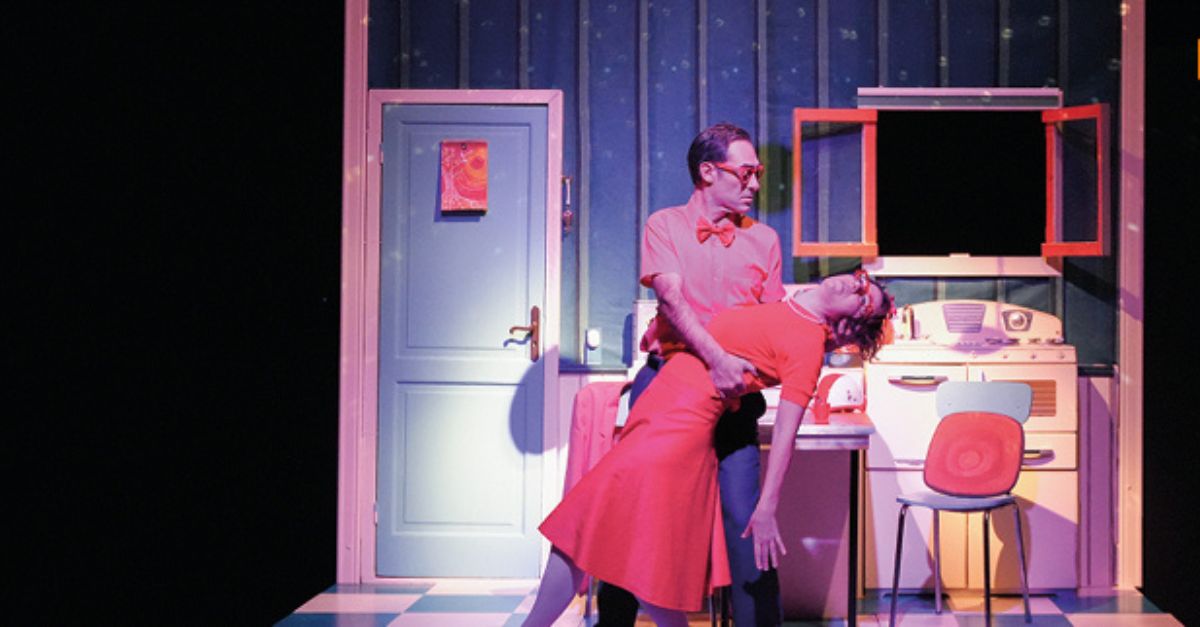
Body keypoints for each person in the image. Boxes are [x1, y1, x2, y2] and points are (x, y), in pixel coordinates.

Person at [522, 270, 894, 627]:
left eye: (863, 299)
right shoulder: (786, 308)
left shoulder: (807, 344)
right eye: (862, 282)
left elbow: (786, 430)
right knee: (628, 556)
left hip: (676, 432)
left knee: (582, 532)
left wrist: (767, 506)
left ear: (852, 324)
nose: (855, 286)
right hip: (656, 417)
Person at [609, 121, 787, 626]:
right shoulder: (664, 225)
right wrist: (718, 359)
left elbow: (773, 323)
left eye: (758, 173)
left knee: (745, 517)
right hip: (668, 383)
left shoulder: (765, 240)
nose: (756, 183)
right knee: (635, 510)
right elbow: (672, 300)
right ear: (708, 172)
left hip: (734, 395)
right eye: (746, 172)